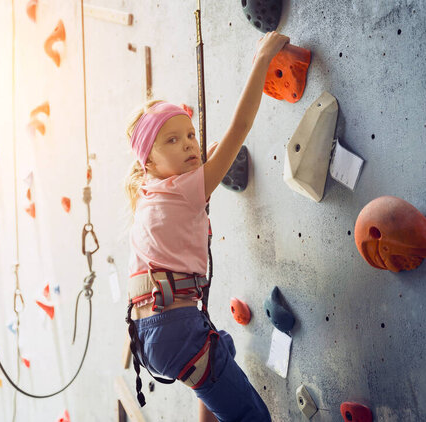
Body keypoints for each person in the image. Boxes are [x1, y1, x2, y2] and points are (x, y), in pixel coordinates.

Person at [124, 31, 290, 422]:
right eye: (172, 141)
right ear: (148, 162)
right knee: (252, 415)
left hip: (152, 337)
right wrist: (262, 58)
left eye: (190, 136)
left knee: (223, 349)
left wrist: (203, 158)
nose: (188, 145)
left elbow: (203, 162)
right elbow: (241, 127)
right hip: (178, 329)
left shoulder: (149, 194)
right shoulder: (185, 190)